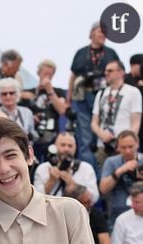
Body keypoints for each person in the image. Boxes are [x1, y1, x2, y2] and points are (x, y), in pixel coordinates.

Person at [68, 22, 119, 171]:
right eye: (100, 31)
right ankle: (89, 175)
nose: (103, 35)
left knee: (104, 138)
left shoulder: (111, 53)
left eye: (105, 32)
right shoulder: (81, 53)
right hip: (83, 98)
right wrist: (68, 100)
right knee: (86, 139)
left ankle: (103, 174)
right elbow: (72, 76)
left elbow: (118, 75)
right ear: (91, 33)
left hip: (105, 99)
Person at [91, 60, 142, 165]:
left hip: (124, 147)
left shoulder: (133, 92)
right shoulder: (101, 93)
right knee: (104, 177)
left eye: (110, 70)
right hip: (103, 146)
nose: (106, 73)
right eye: (105, 71)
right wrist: (101, 133)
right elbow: (94, 122)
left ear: (121, 72)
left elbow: (136, 122)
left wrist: (128, 142)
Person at [19, 59, 68, 161]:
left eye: (50, 75)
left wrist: (49, 90)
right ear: (38, 73)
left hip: (51, 137)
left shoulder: (58, 92)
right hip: (32, 138)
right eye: (45, 74)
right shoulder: (27, 93)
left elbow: (62, 110)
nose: (47, 77)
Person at [33, 132, 99, 204]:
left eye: (70, 146)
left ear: (75, 148)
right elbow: (35, 200)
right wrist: (51, 181)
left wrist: (72, 184)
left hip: (76, 212)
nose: (66, 149)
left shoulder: (85, 168)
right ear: (55, 146)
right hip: (49, 212)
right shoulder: (43, 168)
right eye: (63, 145)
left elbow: (94, 197)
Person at [100, 130, 143, 230]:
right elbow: (103, 189)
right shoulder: (112, 162)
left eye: (130, 147)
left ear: (137, 144)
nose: (127, 151)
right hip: (118, 212)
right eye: (123, 147)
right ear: (118, 147)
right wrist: (120, 171)